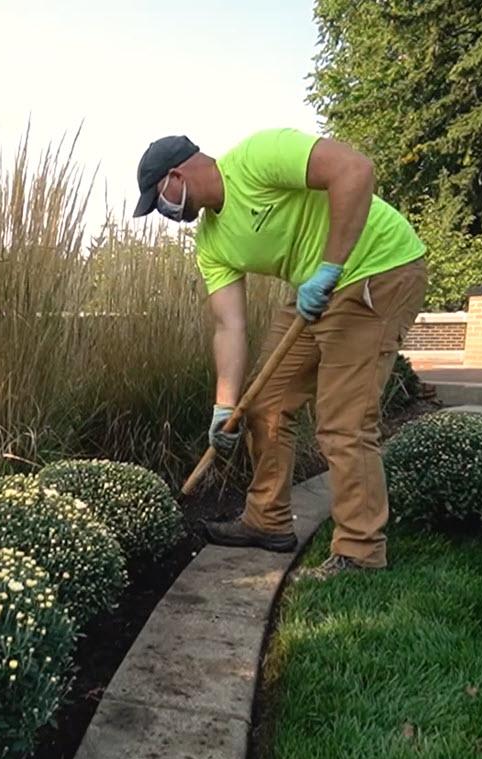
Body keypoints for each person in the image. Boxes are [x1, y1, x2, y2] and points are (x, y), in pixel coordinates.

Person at [131, 128, 428, 578]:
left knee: (343, 422)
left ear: (176, 175)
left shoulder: (257, 158)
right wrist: (224, 406)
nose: (166, 214)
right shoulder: (210, 241)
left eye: (161, 201)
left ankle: (360, 552)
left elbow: (355, 170)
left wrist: (331, 266)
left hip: (376, 268)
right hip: (314, 289)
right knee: (265, 404)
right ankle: (267, 521)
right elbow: (229, 325)